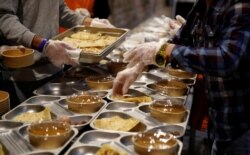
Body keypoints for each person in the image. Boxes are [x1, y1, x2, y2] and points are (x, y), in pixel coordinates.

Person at [112, 0, 250, 154]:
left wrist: (164, 50)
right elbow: (180, 40)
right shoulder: (202, 5)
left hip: (241, 126)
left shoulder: (241, 6)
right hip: (219, 118)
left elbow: (226, 59)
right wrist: (139, 67)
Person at [0, 0, 113, 108]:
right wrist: (43, 44)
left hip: (54, 66)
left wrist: (90, 22)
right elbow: (4, 17)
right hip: (22, 74)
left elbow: (60, 10)